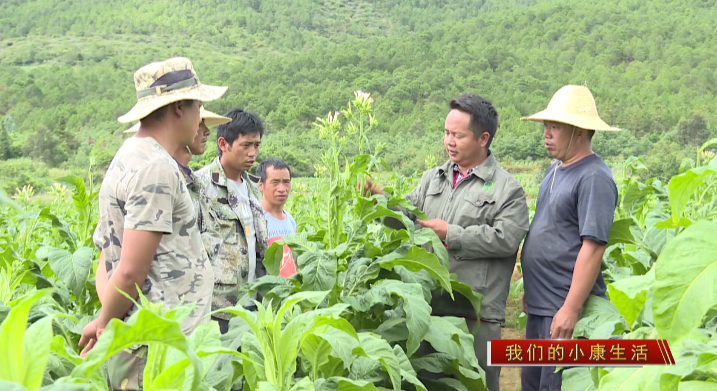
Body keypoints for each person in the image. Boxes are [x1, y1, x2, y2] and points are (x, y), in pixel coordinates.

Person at [362, 93, 530, 391]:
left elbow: (506, 239)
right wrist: (380, 201)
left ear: (483, 138)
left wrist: (451, 234)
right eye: (446, 133)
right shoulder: (433, 179)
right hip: (428, 309)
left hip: (473, 316)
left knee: (474, 384)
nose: (449, 141)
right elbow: (407, 215)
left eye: (458, 135)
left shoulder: (507, 189)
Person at [79, 57, 227, 390]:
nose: (201, 117)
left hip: (147, 339)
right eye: (198, 105)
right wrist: (104, 324)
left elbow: (107, 255)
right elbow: (130, 271)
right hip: (155, 348)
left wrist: (109, 318)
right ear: (178, 108)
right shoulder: (155, 168)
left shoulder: (129, 156)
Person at [519, 85, 620, 391]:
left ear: (579, 131)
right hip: (542, 306)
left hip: (564, 312)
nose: (547, 134)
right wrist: (532, 289)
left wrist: (571, 308)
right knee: (534, 385)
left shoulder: (594, 177)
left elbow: (592, 248)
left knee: (556, 386)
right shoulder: (556, 170)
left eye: (555, 127)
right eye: (546, 126)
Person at [94, 108, 231, 302]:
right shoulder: (154, 176)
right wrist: (108, 317)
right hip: (158, 314)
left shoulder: (196, 183)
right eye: (200, 123)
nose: (206, 131)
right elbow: (109, 254)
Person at [195, 108, 269, 334]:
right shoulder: (200, 186)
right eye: (245, 145)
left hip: (254, 304)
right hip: (219, 310)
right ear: (223, 143)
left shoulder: (254, 188)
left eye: (256, 145)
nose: (252, 153)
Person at [256, 158, 297, 277]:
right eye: (275, 182)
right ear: (261, 186)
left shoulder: (290, 220)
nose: (282, 189)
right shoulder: (255, 220)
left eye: (286, 182)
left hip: (291, 292)